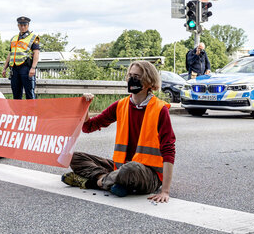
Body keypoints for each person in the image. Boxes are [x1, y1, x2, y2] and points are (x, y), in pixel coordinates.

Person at [61, 61, 176, 203]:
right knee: (73, 157)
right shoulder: (121, 105)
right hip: (120, 167)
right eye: (130, 75)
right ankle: (115, 184)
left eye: (137, 76)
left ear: (149, 81)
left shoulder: (160, 109)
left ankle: (94, 182)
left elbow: (168, 149)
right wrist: (85, 107)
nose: (132, 79)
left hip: (148, 174)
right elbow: (88, 127)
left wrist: (165, 191)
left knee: (131, 168)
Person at [2, 16, 40, 99]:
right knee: (16, 94)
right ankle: (17, 112)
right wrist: (5, 68)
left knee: (29, 93)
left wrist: (33, 68)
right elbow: (10, 54)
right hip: (14, 69)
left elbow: (36, 53)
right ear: (18, 25)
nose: (22, 27)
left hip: (26, 68)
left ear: (28, 25)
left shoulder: (33, 38)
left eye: (24, 25)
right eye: (20, 25)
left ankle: (31, 112)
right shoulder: (14, 38)